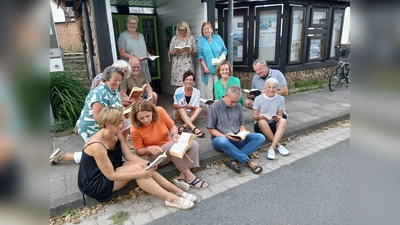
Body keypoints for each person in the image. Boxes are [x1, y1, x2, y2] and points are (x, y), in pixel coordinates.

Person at [77, 107, 196, 210]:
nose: (123, 125)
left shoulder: (117, 133)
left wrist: (149, 162)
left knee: (144, 166)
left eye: (122, 121)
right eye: (119, 123)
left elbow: (129, 156)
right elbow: (111, 175)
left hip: (114, 167)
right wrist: (139, 173)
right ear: (108, 125)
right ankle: (171, 198)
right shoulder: (97, 146)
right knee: (139, 172)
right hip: (95, 182)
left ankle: (177, 191)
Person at [50, 66, 126, 164]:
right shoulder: (100, 92)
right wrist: (113, 126)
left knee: (100, 154)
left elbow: (119, 106)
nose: (118, 83)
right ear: (107, 78)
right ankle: (61, 156)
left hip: (105, 126)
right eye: (115, 80)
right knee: (98, 154)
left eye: (120, 80)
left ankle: (61, 156)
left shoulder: (114, 90)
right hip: (91, 127)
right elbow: (97, 116)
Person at [130, 100, 209, 190]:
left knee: (194, 144)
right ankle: (190, 178)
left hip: (169, 145)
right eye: (141, 118)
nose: (146, 120)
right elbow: (138, 152)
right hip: (155, 156)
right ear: (136, 118)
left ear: (152, 112)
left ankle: (182, 176)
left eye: (148, 116)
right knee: (173, 148)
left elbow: (172, 126)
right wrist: (148, 149)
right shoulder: (134, 128)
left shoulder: (159, 110)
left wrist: (174, 134)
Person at [207, 86, 265, 174]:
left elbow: (241, 124)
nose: (234, 104)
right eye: (232, 101)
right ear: (226, 96)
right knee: (223, 141)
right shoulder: (215, 107)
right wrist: (225, 136)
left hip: (236, 137)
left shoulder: (238, 106)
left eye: (236, 101)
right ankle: (248, 161)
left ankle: (234, 159)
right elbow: (210, 129)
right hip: (219, 139)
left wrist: (243, 132)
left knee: (260, 137)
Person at [252, 78, 290, 160]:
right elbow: (254, 116)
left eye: (274, 87)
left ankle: (272, 148)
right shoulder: (258, 99)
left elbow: (280, 116)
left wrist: (277, 117)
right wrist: (259, 117)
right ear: (265, 87)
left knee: (283, 120)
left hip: (272, 123)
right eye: (269, 87)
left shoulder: (281, 99)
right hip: (260, 125)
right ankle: (278, 146)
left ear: (277, 88)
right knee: (262, 121)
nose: (271, 90)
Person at [198, 21, 228, 100]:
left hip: (219, 68)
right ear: (202, 31)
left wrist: (221, 57)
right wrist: (204, 67)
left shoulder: (218, 38)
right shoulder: (201, 40)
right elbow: (200, 55)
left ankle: (220, 106)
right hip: (208, 69)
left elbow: (224, 50)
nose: (206, 31)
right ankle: (210, 108)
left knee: (219, 88)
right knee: (209, 89)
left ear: (211, 29)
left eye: (208, 29)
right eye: (204, 30)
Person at [117, 15, 152, 82]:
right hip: (131, 67)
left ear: (137, 25)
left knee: (144, 85)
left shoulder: (141, 35)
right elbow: (122, 53)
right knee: (133, 85)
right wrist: (135, 58)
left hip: (143, 65)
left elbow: (143, 48)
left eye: (134, 23)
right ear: (127, 23)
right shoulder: (123, 36)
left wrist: (149, 55)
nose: (132, 25)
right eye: (130, 23)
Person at [172, 71, 204, 138]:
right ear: (184, 81)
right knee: (181, 109)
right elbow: (174, 106)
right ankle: (194, 128)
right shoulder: (178, 90)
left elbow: (196, 107)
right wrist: (177, 106)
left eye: (191, 80)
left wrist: (189, 107)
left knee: (200, 109)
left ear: (193, 81)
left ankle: (184, 126)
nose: (189, 82)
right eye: (187, 79)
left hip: (191, 115)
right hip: (179, 116)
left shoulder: (197, 92)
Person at [168, 21, 197, 87]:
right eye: (180, 30)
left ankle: (188, 97)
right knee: (178, 87)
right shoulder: (174, 39)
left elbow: (196, 53)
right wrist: (175, 52)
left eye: (184, 30)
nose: (182, 32)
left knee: (189, 84)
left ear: (187, 29)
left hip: (188, 65)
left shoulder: (191, 38)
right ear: (178, 30)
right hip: (177, 65)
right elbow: (170, 51)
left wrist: (190, 51)